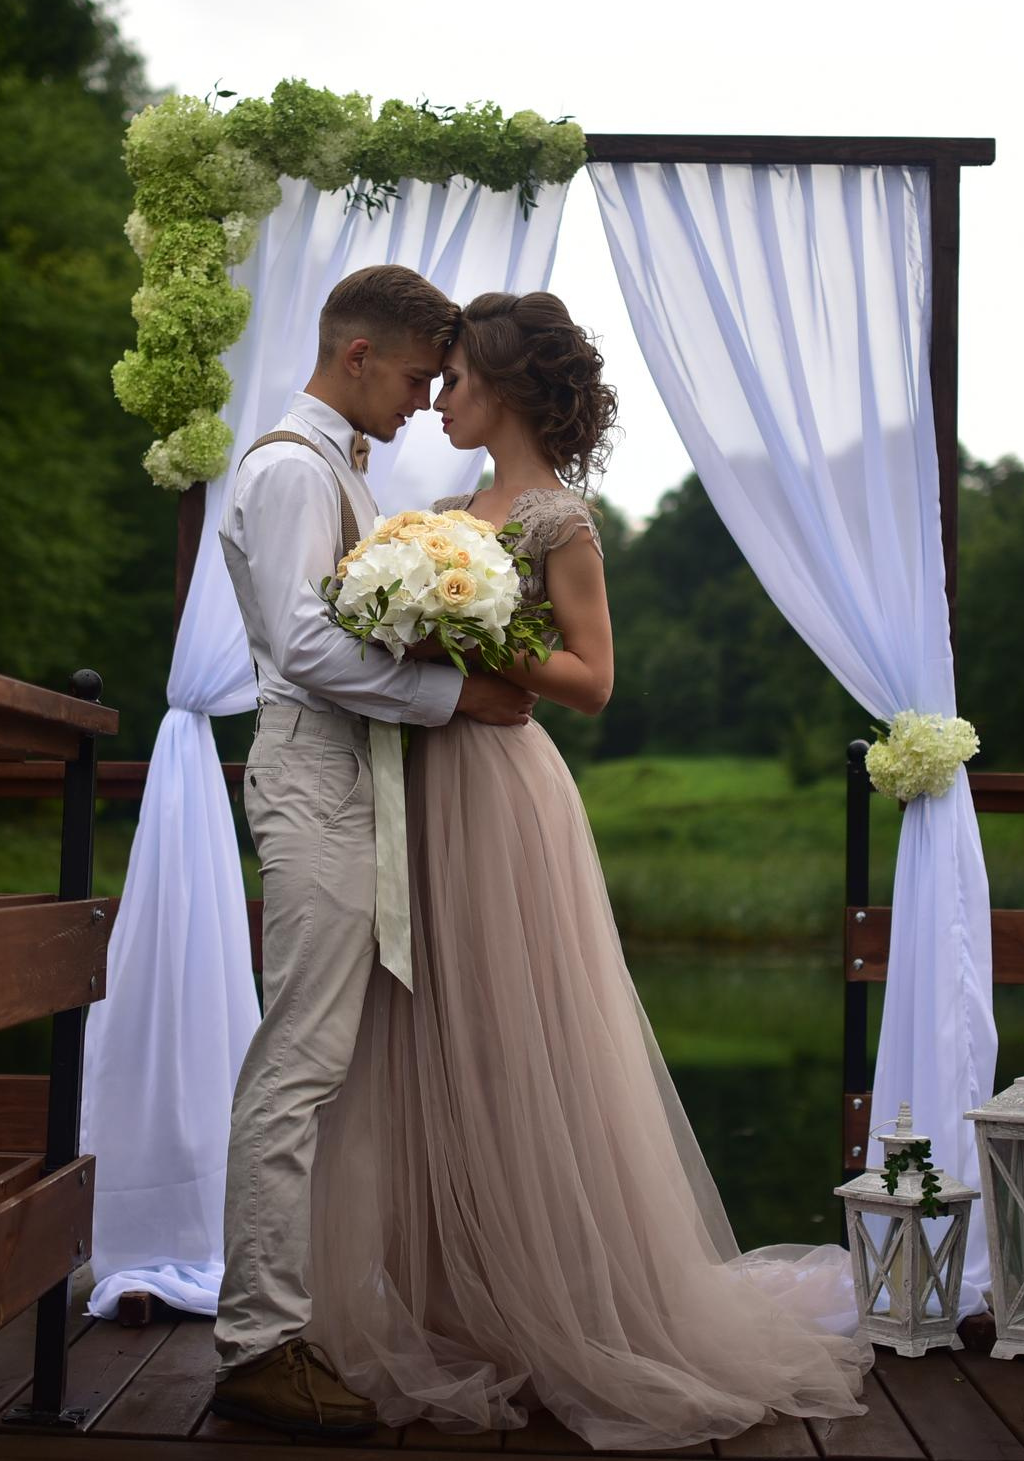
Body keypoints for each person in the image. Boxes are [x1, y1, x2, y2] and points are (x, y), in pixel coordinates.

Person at [304, 291, 871, 1449]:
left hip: (505, 800)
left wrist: (466, 630)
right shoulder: (446, 512)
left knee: (519, 1043)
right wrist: (410, 621)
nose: (439, 395)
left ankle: (565, 1310)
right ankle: (453, 1306)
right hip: (425, 790)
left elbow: (592, 676)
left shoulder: (559, 519)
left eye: (453, 379)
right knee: (429, 1041)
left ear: (500, 388)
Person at [210, 265, 538, 1438]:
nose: (419, 400)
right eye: (411, 376)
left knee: (328, 1060)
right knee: (298, 1061)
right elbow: (301, 645)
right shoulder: (296, 469)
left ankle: (323, 1310)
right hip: (311, 776)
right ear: (356, 357)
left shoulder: (333, 467)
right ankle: (256, 1339)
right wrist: (455, 695)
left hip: (351, 776)